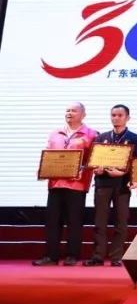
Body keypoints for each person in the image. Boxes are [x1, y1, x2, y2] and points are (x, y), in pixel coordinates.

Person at [34, 104, 98, 266]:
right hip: (55, 183)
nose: (70, 113)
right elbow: (49, 154)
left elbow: (94, 160)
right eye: (67, 110)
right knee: (53, 221)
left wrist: (82, 169)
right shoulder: (55, 133)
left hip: (77, 185)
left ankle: (72, 255)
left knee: (74, 221)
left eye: (74, 111)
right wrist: (43, 169)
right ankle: (51, 256)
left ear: (83, 115)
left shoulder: (91, 134)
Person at [86, 104, 137, 266]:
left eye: (119, 115)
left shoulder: (135, 138)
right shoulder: (101, 138)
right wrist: (97, 169)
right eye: (113, 115)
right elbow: (94, 162)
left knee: (121, 222)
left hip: (122, 185)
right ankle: (98, 256)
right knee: (100, 222)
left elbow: (135, 163)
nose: (116, 118)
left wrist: (123, 173)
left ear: (127, 118)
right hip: (103, 184)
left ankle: (116, 257)